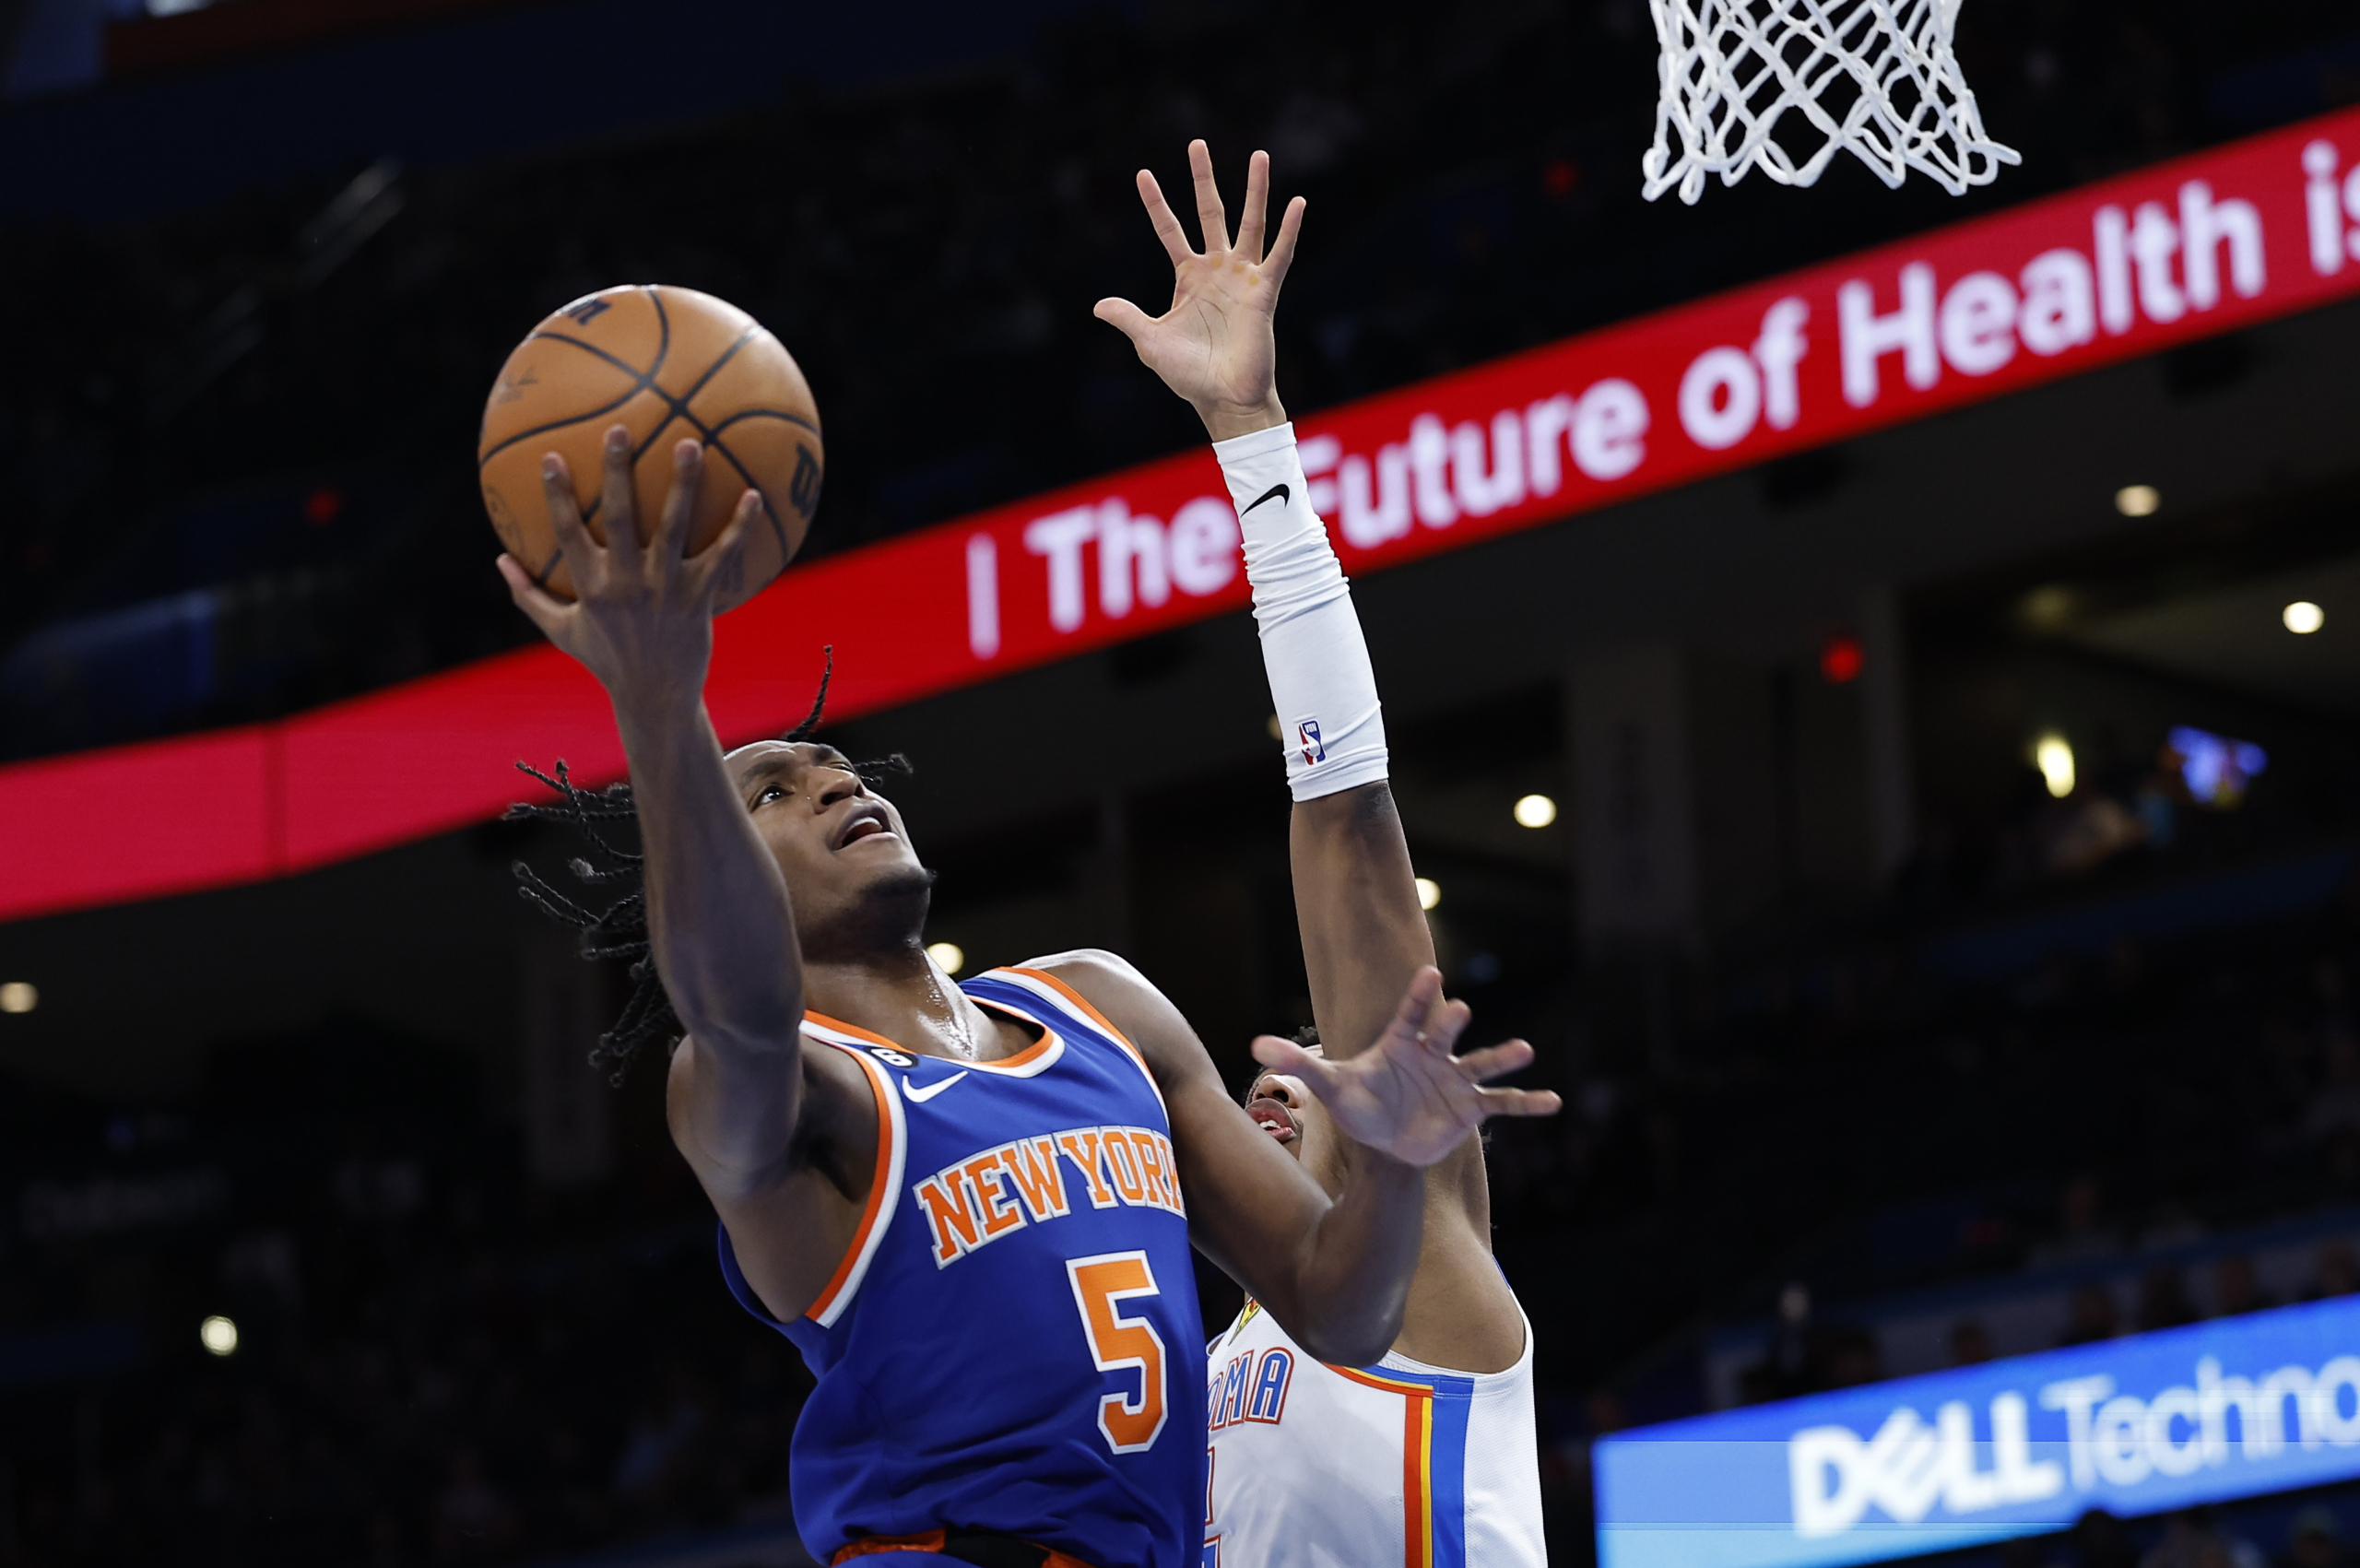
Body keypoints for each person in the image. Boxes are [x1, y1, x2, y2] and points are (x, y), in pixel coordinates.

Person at [492, 146, 1562, 1568]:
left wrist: (1251, 433)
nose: (836, 783)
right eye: (774, 794)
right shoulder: (777, 1091)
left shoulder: (1101, 1011)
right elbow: (736, 1005)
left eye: (841, 765)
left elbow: (1335, 1282)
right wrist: (660, 704)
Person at [1091, 140, 1547, 1566]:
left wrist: (1254, 442)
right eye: (1263, 1087)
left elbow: (1343, 811)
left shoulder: (1422, 1274)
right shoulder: (1180, 1395)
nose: (1279, 1087)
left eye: (1312, 1071)